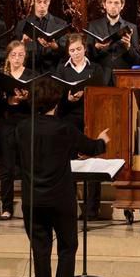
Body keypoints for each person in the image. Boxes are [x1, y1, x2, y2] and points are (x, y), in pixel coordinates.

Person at [17, 77, 111, 277]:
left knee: (40, 250)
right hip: (60, 199)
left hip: (32, 200)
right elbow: (91, 147)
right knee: (67, 248)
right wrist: (102, 140)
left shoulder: (22, 128)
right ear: (56, 102)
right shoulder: (64, 128)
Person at [55, 34, 109, 218]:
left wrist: (86, 94)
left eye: (79, 49)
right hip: (69, 120)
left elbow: (102, 94)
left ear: (85, 49)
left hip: (91, 118)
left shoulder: (95, 69)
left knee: (92, 162)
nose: (76, 53)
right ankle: (70, 206)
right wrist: (67, 98)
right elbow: (56, 99)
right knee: (69, 164)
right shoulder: (62, 70)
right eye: (72, 50)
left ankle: (92, 209)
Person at [0, 40, 37, 219]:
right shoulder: (1, 75)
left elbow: (40, 102)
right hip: (7, 123)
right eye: (13, 55)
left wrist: (27, 98)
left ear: (25, 56)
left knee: (28, 167)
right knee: (7, 168)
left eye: (20, 55)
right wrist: (8, 101)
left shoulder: (31, 75)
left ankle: (29, 206)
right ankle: (7, 207)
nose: (17, 58)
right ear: (8, 56)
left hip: (26, 122)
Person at [85, 0, 140, 73]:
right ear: (104, 4)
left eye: (116, 3)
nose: (113, 6)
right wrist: (96, 48)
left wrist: (128, 47)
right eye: (109, 2)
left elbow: (137, 61)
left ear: (122, 5)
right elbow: (87, 57)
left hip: (123, 77)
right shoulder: (94, 26)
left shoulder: (131, 27)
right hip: (101, 77)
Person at [14, 0, 69, 73]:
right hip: (28, 73)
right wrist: (22, 44)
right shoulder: (22, 24)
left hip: (52, 73)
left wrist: (56, 47)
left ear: (49, 1)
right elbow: (13, 53)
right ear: (33, 1)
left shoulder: (60, 24)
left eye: (45, 2)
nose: (42, 6)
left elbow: (67, 54)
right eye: (39, 2)